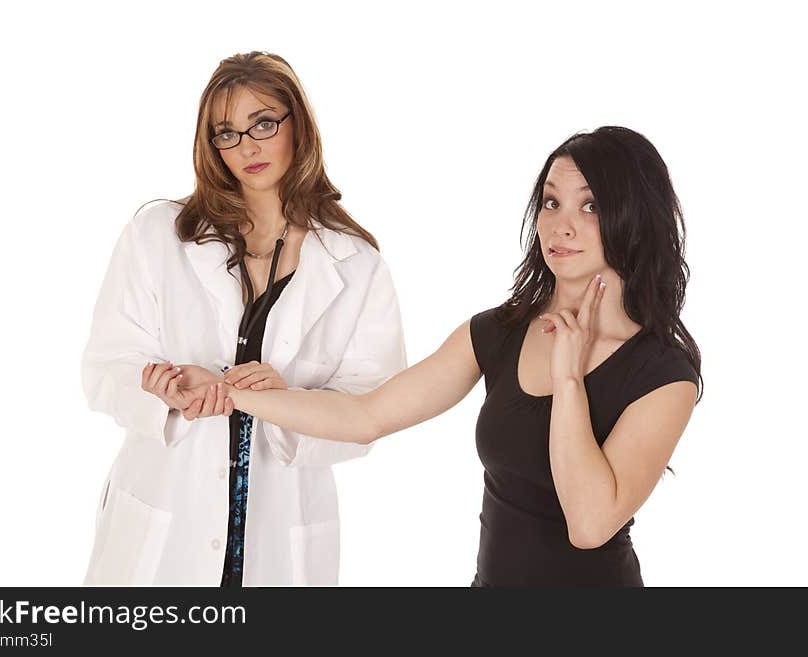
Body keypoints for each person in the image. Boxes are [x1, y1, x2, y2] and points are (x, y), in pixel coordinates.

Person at [178, 126, 703, 586]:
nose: (560, 226)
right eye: (550, 202)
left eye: (590, 206)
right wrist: (227, 391)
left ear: (632, 218)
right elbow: (367, 416)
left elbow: (589, 525)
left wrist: (568, 380)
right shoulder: (500, 332)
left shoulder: (663, 374)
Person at [81, 51, 407, 586]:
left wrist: (285, 401)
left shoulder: (357, 265)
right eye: (226, 133)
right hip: (166, 515)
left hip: (281, 529)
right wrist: (159, 391)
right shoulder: (157, 236)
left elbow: (374, 408)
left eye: (263, 123)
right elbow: (104, 367)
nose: (248, 147)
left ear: (298, 124)